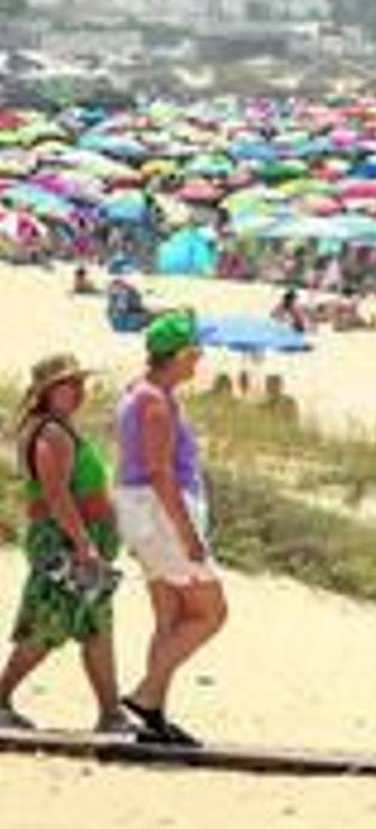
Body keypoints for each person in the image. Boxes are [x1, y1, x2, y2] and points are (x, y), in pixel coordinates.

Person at [112, 310, 227, 748]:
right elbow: (160, 472)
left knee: (171, 617)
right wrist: (188, 534)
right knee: (210, 613)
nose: (199, 362)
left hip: (140, 512)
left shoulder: (137, 392)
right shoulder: (156, 401)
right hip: (160, 513)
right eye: (195, 353)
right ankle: (146, 693)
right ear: (179, 355)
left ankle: (154, 710)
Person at [0, 354, 130, 734]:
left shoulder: (57, 428)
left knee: (95, 622)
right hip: (68, 539)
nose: (77, 391)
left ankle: (111, 713)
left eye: (79, 384)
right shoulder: (50, 433)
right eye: (67, 384)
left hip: (79, 537)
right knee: (51, 622)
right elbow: (56, 496)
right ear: (46, 392)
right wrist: (84, 544)